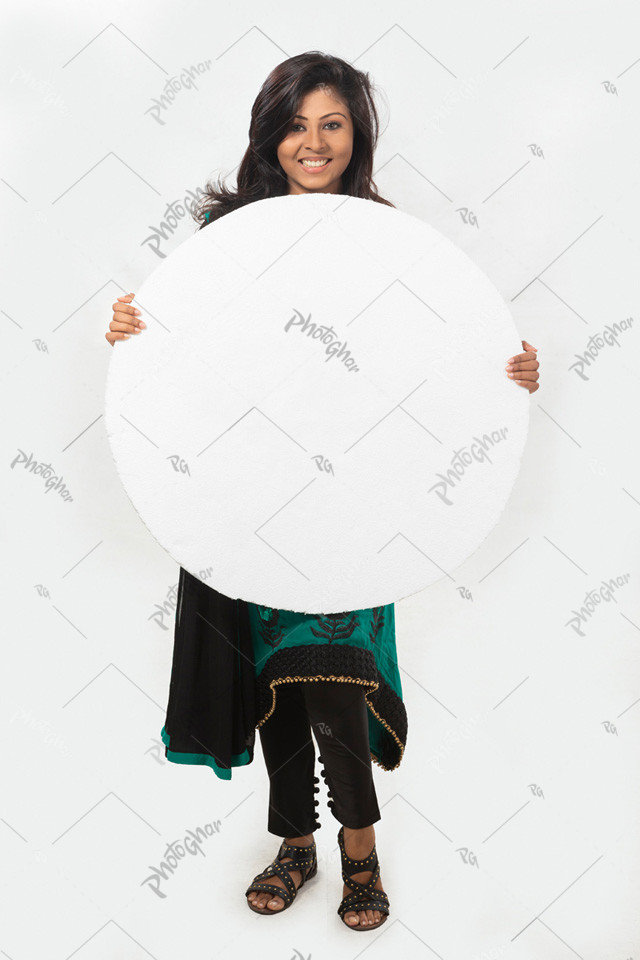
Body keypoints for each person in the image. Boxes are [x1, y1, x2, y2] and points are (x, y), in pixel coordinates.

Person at [105, 51, 540, 931]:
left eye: (332, 123)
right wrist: (137, 331)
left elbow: (424, 369)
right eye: (297, 124)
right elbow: (193, 360)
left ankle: (360, 851)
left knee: (333, 682)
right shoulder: (226, 237)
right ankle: (294, 843)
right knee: (274, 685)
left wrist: (503, 372)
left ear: (357, 135)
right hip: (250, 498)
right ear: (271, 133)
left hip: (352, 507)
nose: (314, 142)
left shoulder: (387, 242)